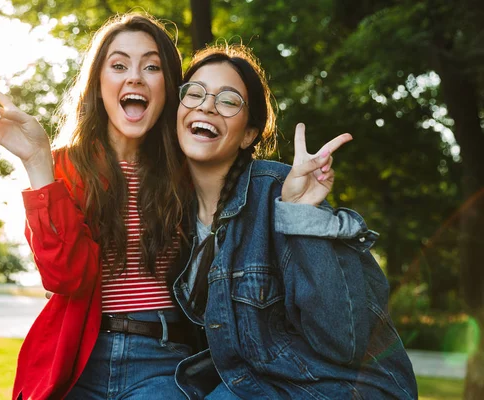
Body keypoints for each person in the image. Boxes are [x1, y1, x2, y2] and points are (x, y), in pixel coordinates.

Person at [170, 45, 418, 399]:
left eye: (228, 101)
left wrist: (302, 216)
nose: (207, 105)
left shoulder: (282, 192)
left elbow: (342, 341)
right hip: (257, 386)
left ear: (248, 135)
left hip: (341, 387)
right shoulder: (168, 213)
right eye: (194, 94)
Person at [0, 13, 195, 400]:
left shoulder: (188, 172)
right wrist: (38, 160)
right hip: (77, 358)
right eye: (119, 65)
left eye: (152, 66)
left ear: (169, 85)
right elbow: (66, 277)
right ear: (99, 84)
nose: (135, 76)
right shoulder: (63, 169)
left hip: (163, 360)